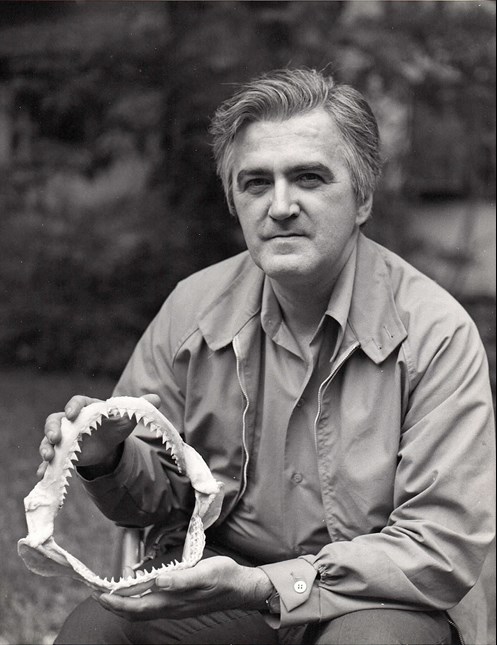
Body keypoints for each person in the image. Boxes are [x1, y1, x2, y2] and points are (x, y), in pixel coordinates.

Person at [38, 68, 495, 645]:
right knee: (96, 633)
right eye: (256, 183)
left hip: (378, 603)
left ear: (362, 198)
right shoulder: (192, 310)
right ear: (234, 202)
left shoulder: (436, 334)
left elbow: (441, 546)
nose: (280, 205)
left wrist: (266, 586)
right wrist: (106, 457)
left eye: (309, 177)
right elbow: (159, 498)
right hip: (223, 589)